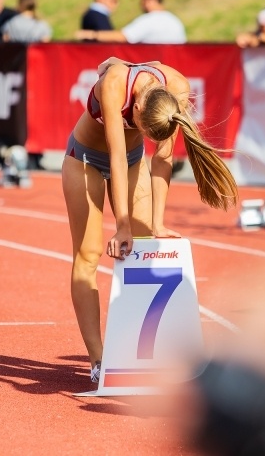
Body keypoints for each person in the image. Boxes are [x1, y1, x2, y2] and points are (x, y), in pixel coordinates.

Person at [62, 56, 239, 383]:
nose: (139, 132)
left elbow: (163, 157)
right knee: (88, 253)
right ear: (138, 110)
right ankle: (99, 359)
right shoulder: (116, 84)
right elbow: (114, 154)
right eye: (142, 129)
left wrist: (156, 223)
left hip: (132, 162)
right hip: (85, 159)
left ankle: (135, 353)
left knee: (142, 251)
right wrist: (123, 225)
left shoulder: (178, 90)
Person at [75, 0, 186, 44]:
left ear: (149, 1)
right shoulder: (175, 20)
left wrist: (92, 35)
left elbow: (124, 37)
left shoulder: (149, 20)